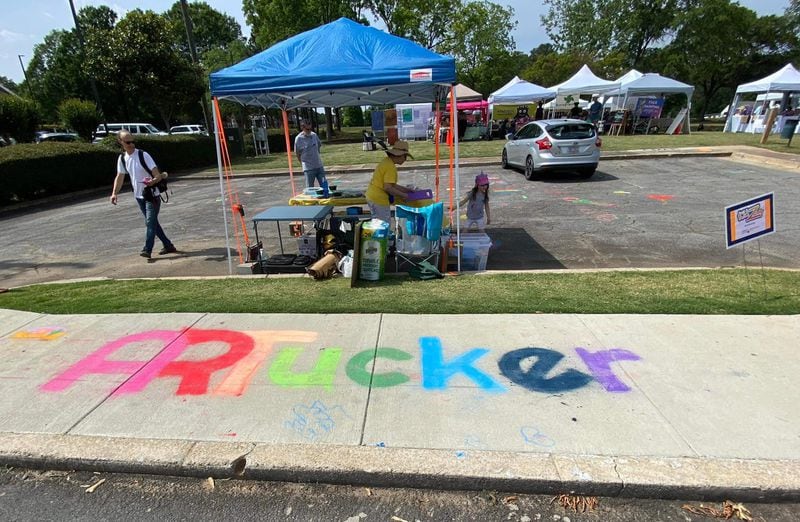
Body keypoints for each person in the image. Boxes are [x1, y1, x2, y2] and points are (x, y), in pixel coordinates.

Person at [109, 130, 176, 259]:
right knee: (153, 223)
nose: (131, 144)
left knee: (150, 222)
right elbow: (120, 177)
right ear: (120, 142)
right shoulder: (122, 158)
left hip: (152, 195)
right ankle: (168, 245)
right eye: (128, 142)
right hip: (139, 196)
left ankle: (147, 249)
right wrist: (114, 193)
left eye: (133, 141)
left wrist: (153, 181)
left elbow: (157, 175)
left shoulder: (143, 155)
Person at [365, 140, 415, 223]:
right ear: (399, 155)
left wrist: (407, 190)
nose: (405, 160)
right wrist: (404, 195)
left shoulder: (386, 161)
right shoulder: (391, 167)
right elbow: (388, 188)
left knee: (377, 224)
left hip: (371, 195)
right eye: (405, 157)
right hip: (378, 199)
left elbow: (392, 185)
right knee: (383, 225)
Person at [294, 119, 327, 188]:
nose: (309, 131)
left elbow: (318, 146)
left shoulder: (314, 135)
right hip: (308, 168)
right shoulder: (298, 139)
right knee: (310, 189)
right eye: (307, 129)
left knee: (324, 186)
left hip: (319, 166)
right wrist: (303, 163)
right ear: (302, 128)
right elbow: (297, 154)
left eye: (310, 128)